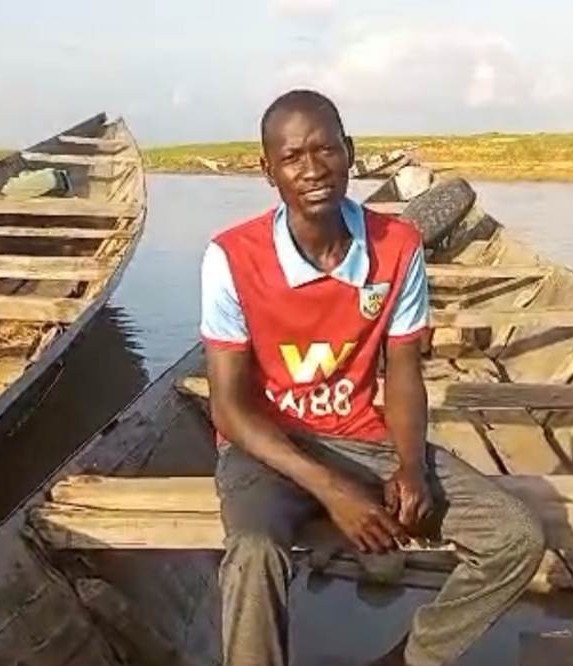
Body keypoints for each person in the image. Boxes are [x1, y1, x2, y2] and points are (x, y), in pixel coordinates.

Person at [199, 89, 546, 666]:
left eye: (326, 150)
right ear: (268, 172)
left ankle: (410, 659)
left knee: (515, 538)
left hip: (365, 439)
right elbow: (230, 410)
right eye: (292, 158)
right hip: (266, 447)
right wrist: (334, 492)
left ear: (350, 153)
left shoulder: (398, 246)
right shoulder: (231, 257)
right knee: (254, 552)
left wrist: (410, 465)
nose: (312, 170)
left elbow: (404, 370)